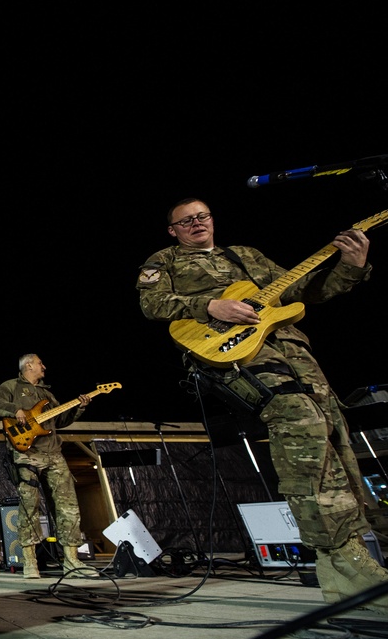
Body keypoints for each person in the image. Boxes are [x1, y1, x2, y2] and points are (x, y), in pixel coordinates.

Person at [135, 197, 385, 612]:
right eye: (186, 221)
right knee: (300, 424)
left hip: (290, 350)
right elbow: (151, 304)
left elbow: (304, 290)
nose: (197, 223)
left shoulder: (247, 255)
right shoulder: (165, 259)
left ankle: (340, 567)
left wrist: (350, 267)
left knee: (334, 436)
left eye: (203, 216)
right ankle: (342, 556)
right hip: (232, 352)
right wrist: (210, 305)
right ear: (173, 230)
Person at [0, 353, 99, 580]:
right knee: (29, 505)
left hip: (53, 453)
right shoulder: (11, 386)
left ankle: (72, 561)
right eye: (40, 363)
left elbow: (60, 421)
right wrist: (14, 410)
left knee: (68, 505)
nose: (44, 366)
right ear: (28, 365)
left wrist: (79, 407)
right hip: (26, 453)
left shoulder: (47, 394)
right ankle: (30, 563)